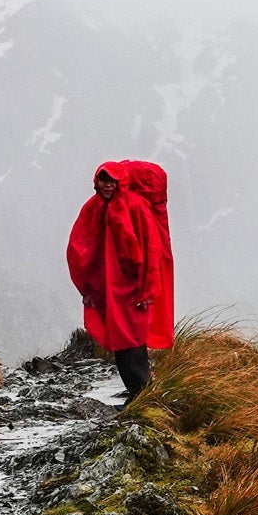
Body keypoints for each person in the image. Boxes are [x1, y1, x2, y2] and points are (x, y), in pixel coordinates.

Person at [65, 160, 175, 395]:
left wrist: (147, 289)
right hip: (109, 288)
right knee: (123, 340)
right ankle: (140, 392)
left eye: (112, 181)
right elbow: (79, 249)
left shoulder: (134, 207)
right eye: (104, 180)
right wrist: (87, 288)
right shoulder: (93, 208)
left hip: (132, 289)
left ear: (120, 182)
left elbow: (150, 250)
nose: (107, 186)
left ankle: (141, 393)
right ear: (97, 182)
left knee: (131, 340)